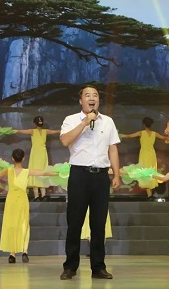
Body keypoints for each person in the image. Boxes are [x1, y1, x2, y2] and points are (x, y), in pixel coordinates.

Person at [59, 85, 121, 280]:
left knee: (98, 224)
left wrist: (116, 174)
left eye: (95, 95)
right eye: (87, 95)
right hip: (79, 175)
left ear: (98, 100)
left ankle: (98, 267)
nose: (92, 98)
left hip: (101, 177)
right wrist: (85, 122)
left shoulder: (108, 121)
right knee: (75, 222)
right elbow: (65, 141)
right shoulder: (71, 120)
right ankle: (70, 266)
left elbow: (113, 149)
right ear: (81, 101)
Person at [0, 148, 57, 263]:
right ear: (23, 158)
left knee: (12, 224)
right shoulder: (26, 171)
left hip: (11, 200)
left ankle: (12, 254)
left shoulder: (8, 170)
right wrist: (59, 173)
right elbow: (43, 173)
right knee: (23, 224)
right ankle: (25, 251)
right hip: (22, 200)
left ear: (12, 159)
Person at [120, 116, 169, 199]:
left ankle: (150, 194)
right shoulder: (154, 133)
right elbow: (164, 138)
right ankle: (150, 194)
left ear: (143, 124)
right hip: (151, 154)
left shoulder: (141, 133)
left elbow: (129, 136)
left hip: (144, 154)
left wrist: (120, 136)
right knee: (149, 172)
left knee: (144, 172)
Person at [14, 116, 60, 201]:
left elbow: (20, 131)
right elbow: (57, 131)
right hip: (42, 153)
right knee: (42, 170)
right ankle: (42, 195)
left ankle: (37, 196)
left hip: (36, 153)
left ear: (34, 123)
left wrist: (11, 131)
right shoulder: (45, 131)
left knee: (36, 170)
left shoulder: (33, 131)